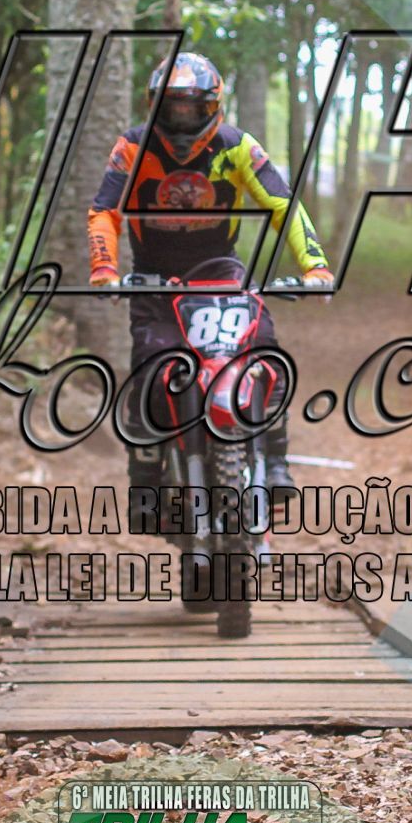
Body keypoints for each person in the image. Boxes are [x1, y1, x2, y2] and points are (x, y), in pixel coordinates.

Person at [86, 51, 333, 492]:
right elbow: (105, 210)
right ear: (154, 107)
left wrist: (314, 266)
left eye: (192, 110)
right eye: (172, 110)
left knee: (263, 352)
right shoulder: (132, 147)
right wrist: (104, 267)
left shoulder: (237, 146)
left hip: (220, 272)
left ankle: (276, 461)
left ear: (213, 107)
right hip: (156, 280)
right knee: (149, 370)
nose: (182, 122)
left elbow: (282, 204)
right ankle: (144, 483)